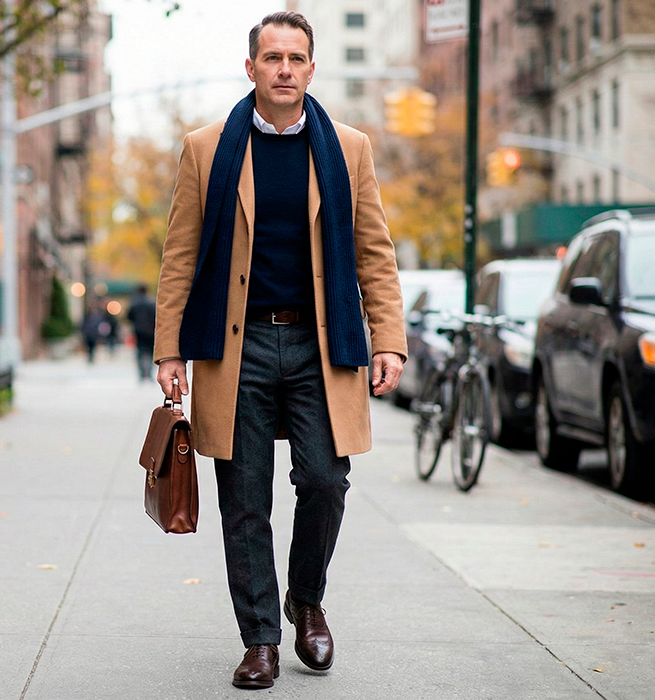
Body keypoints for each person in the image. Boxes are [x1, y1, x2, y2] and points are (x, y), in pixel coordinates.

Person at [154, 12, 406, 690]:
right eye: (272, 58)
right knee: (244, 501)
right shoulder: (207, 148)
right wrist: (169, 349)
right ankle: (260, 638)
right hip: (236, 347)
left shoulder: (348, 148)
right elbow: (179, 255)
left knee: (325, 481)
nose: (285, 69)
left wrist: (389, 340)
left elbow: (374, 252)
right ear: (252, 68)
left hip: (322, 347)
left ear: (312, 70)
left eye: (296, 58)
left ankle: (306, 598)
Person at [126, 284, 157, 381]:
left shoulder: (134, 303)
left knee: (140, 352)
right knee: (152, 353)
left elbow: (129, 316)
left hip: (139, 331)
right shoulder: (151, 302)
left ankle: (141, 373)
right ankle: (150, 373)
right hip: (151, 331)